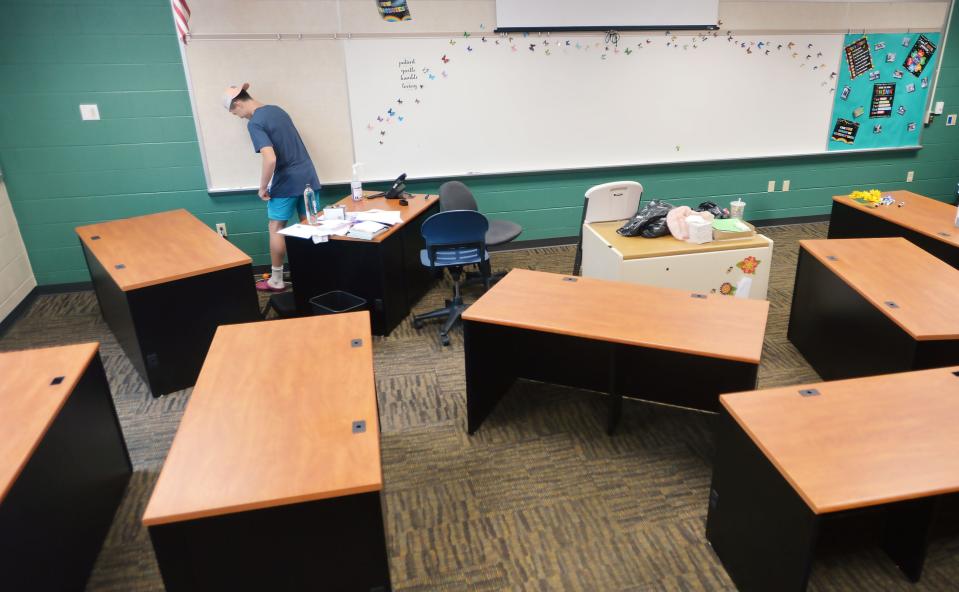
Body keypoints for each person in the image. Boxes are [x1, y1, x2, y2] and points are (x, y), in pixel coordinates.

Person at [223, 83, 321, 292]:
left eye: (237, 113)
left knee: (276, 228)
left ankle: (276, 280)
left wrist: (262, 187)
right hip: (309, 176)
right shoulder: (278, 110)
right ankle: (316, 276)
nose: (241, 118)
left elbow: (270, 158)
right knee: (311, 225)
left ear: (238, 103)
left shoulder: (255, 122)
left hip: (286, 181)